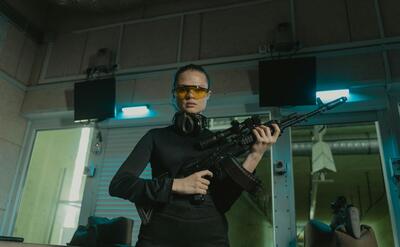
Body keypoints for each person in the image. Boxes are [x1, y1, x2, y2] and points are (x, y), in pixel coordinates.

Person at [109, 64, 280, 247]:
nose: (190, 95)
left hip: (210, 237)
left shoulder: (220, 142)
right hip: (158, 237)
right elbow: (119, 185)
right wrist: (175, 185)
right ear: (174, 94)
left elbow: (223, 203)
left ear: (208, 95)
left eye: (198, 90)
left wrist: (255, 155)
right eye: (184, 89)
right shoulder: (155, 137)